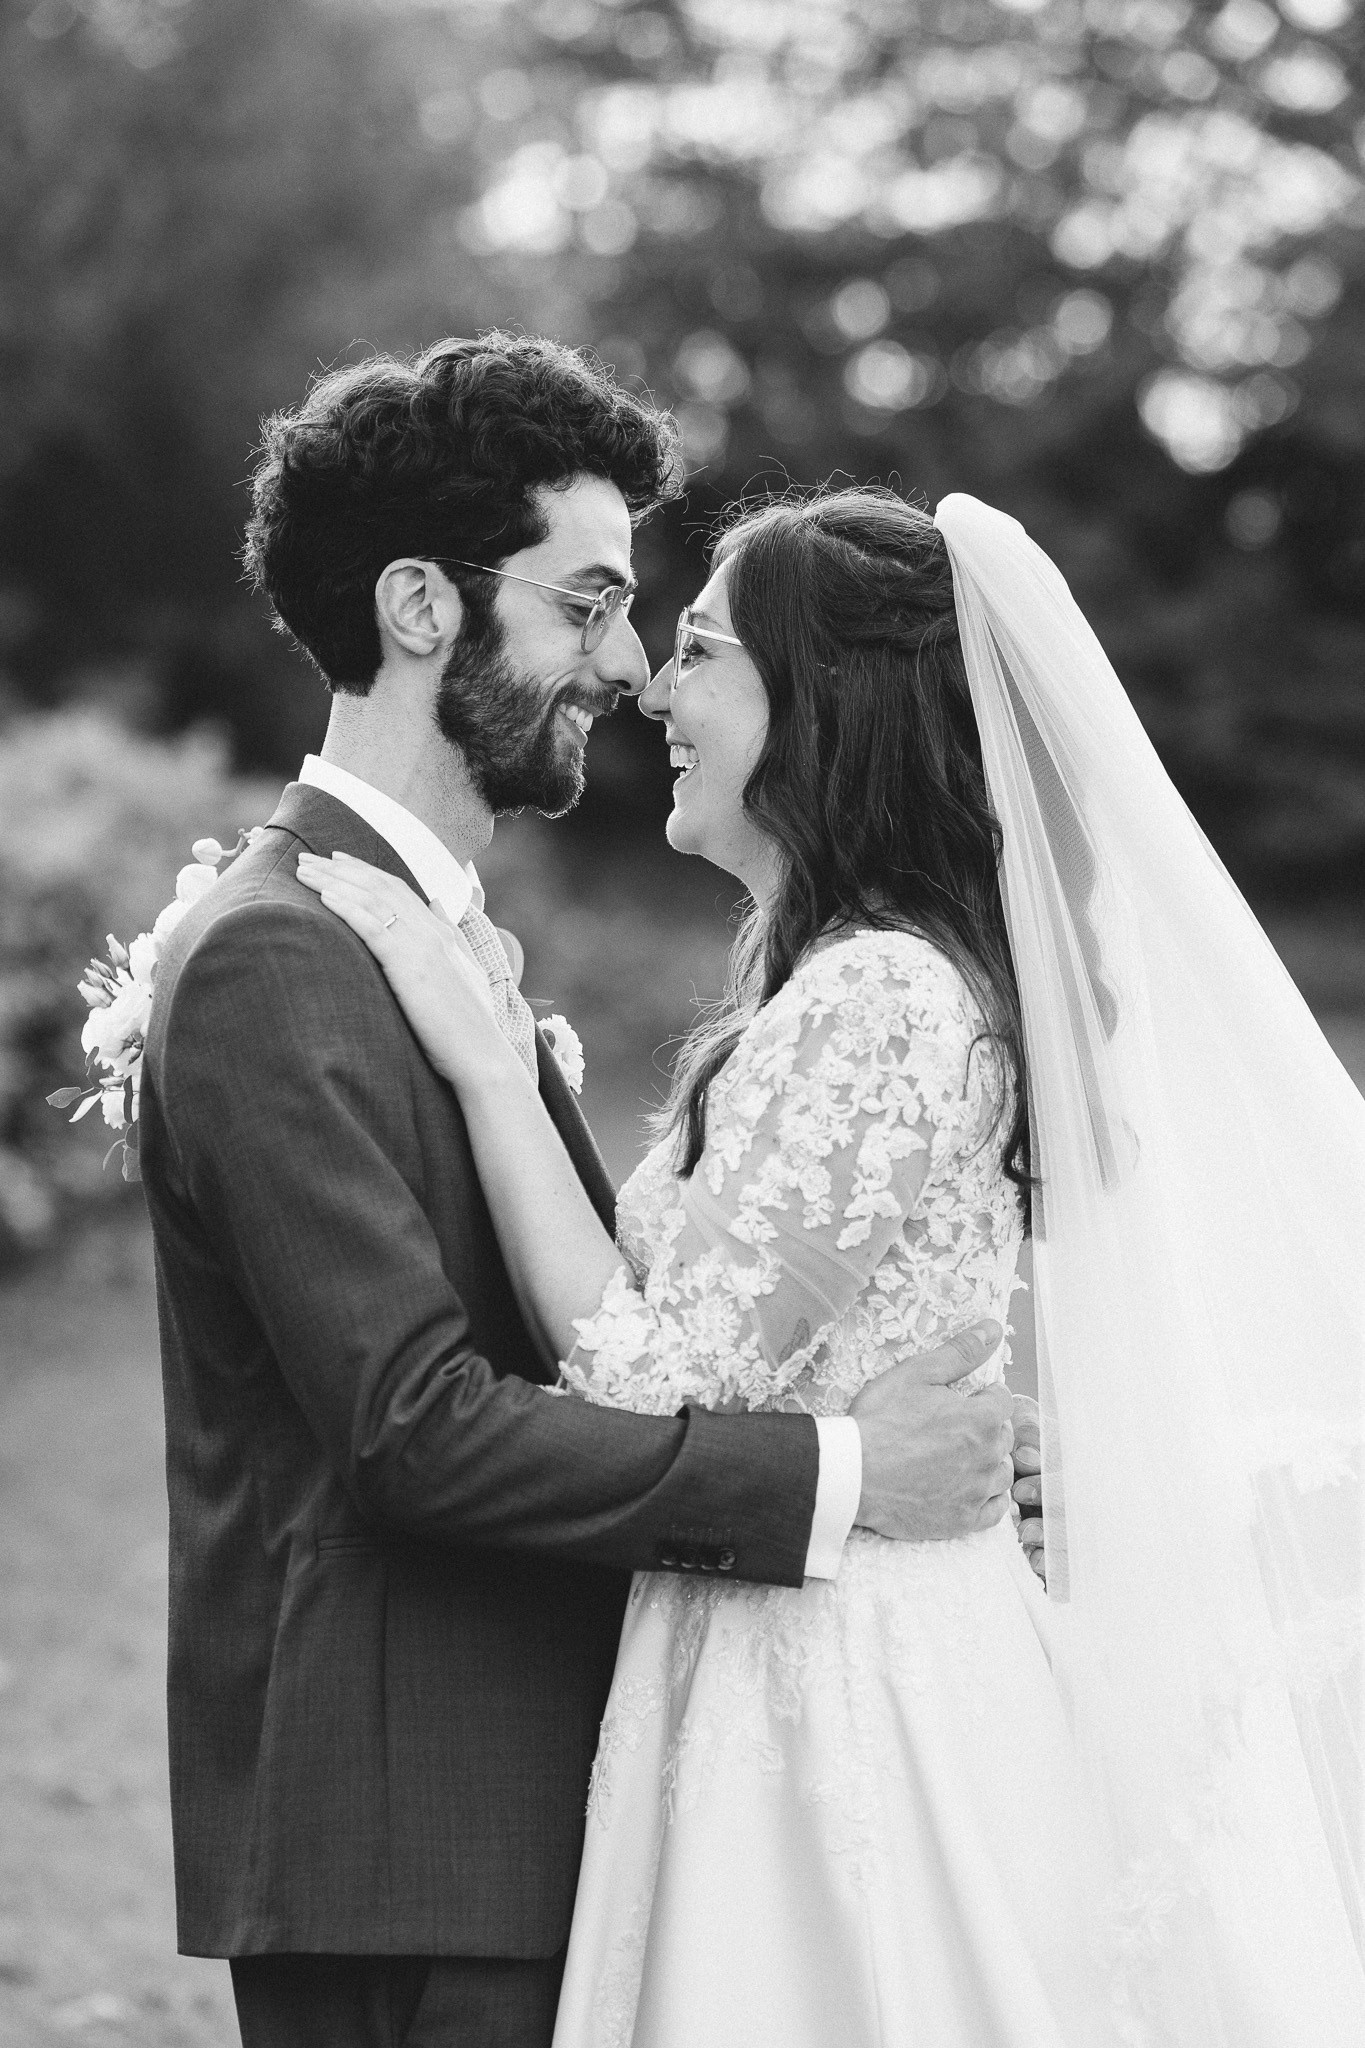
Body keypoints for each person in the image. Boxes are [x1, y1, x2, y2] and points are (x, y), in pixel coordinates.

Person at [304, 485, 1365, 2045]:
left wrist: (485, 1069)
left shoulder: (879, 996)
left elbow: (660, 1376)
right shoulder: (858, 983)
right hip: (811, 1624)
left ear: (824, 706)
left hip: (848, 1677)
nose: (652, 692)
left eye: (701, 653)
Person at [138, 338, 1024, 2048]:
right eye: (590, 602)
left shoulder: (430, 942)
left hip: (551, 1809)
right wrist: (848, 1470)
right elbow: (413, 1428)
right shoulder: (279, 955)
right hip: (416, 1838)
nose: (625, 664)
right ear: (421, 605)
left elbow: (634, 1316)